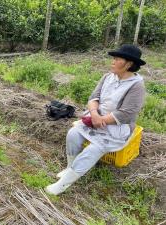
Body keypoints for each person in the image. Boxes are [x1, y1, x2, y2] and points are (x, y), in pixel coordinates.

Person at [46, 44, 146, 195]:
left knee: (94, 149)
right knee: (73, 134)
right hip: (96, 118)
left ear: (129, 64)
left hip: (116, 127)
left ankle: (63, 184)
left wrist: (102, 120)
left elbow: (127, 113)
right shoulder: (108, 77)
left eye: (117, 59)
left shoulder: (136, 86)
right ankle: (69, 168)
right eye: (113, 58)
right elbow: (94, 97)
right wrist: (94, 114)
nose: (112, 61)